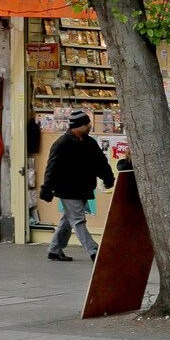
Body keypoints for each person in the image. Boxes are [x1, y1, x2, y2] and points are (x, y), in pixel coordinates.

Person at [38, 110, 115, 263]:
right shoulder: (61, 144)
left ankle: (54, 249)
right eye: (87, 124)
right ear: (78, 126)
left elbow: (100, 163)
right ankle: (94, 251)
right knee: (78, 220)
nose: (89, 126)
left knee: (68, 219)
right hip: (67, 190)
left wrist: (108, 178)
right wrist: (46, 188)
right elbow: (51, 168)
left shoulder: (89, 142)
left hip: (84, 189)